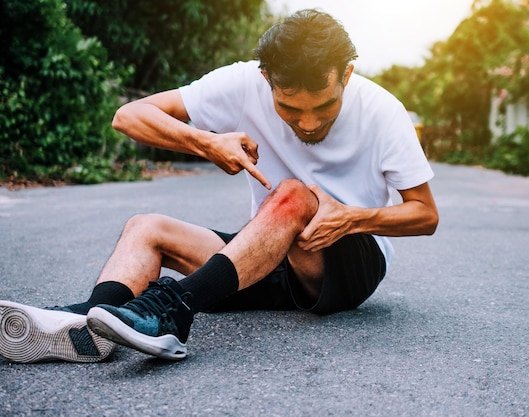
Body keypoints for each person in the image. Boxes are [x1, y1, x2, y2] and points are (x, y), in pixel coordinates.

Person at [0, 9, 438, 363]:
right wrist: (206, 141)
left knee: (293, 193)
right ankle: (92, 325)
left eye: (324, 106)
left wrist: (354, 218)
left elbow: (425, 213)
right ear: (267, 79)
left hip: (347, 264)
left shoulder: (382, 110)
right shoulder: (243, 82)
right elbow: (129, 116)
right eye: (289, 108)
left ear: (346, 75)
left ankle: (169, 311)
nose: (308, 122)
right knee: (146, 227)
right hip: (264, 255)